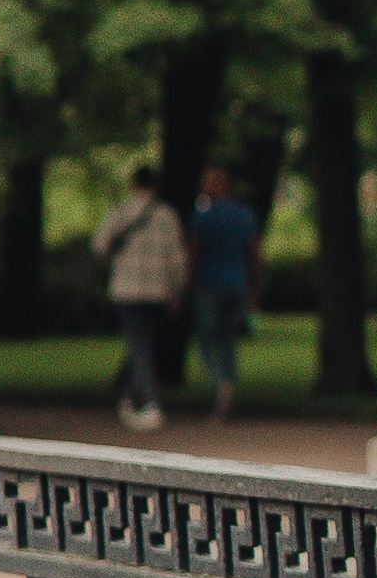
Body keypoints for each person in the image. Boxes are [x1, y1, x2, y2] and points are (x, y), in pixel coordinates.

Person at [93, 167, 187, 432]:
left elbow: (100, 246)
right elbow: (177, 259)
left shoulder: (121, 212)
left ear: (133, 183)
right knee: (145, 345)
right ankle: (135, 400)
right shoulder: (167, 215)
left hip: (127, 289)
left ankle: (147, 402)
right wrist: (177, 291)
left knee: (139, 345)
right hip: (158, 291)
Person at [188, 165, 262, 422]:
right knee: (228, 340)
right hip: (238, 283)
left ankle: (221, 385)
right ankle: (228, 384)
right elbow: (255, 254)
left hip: (210, 284)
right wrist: (256, 288)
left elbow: (194, 253)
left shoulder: (203, 216)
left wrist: (187, 284)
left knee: (208, 339)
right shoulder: (244, 215)